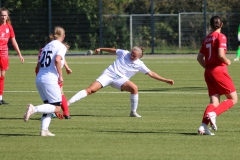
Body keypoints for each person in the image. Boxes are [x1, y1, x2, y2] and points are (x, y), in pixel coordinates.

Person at [68, 46, 174, 117]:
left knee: (134, 88)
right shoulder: (124, 53)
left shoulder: (140, 64)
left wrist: (165, 80)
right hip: (108, 74)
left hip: (120, 79)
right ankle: (67, 103)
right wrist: (101, 49)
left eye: (134, 55)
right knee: (91, 90)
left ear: (140, 56)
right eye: (132, 53)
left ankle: (133, 112)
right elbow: (112, 50)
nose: (131, 56)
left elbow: (151, 73)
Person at [197, 16, 238, 135]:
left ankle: (203, 126)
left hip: (208, 71)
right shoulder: (221, 36)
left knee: (214, 102)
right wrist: (227, 61)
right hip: (219, 70)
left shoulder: (207, 38)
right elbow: (220, 55)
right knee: (233, 99)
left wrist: (209, 68)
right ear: (221, 25)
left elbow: (199, 58)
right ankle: (213, 114)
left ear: (210, 26)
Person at [24, 26, 68, 136]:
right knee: (57, 107)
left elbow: (39, 64)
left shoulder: (47, 46)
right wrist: (60, 76)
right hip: (50, 78)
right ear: (63, 36)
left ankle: (44, 130)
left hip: (40, 77)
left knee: (49, 105)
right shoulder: (61, 46)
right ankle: (34, 109)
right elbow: (58, 60)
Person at [35, 34, 72, 119]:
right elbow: (58, 59)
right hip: (52, 75)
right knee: (60, 94)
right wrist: (61, 74)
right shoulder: (55, 48)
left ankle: (54, 113)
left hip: (43, 74)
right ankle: (64, 112)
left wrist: (67, 67)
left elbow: (39, 64)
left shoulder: (44, 49)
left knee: (50, 97)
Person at [0, 7, 24, 105]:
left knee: (2, 76)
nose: (3, 17)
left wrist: (20, 54)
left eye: (5, 15)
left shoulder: (9, 27)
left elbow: (13, 41)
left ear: (7, 16)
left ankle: (0, 98)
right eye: (2, 15)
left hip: (4, 53)